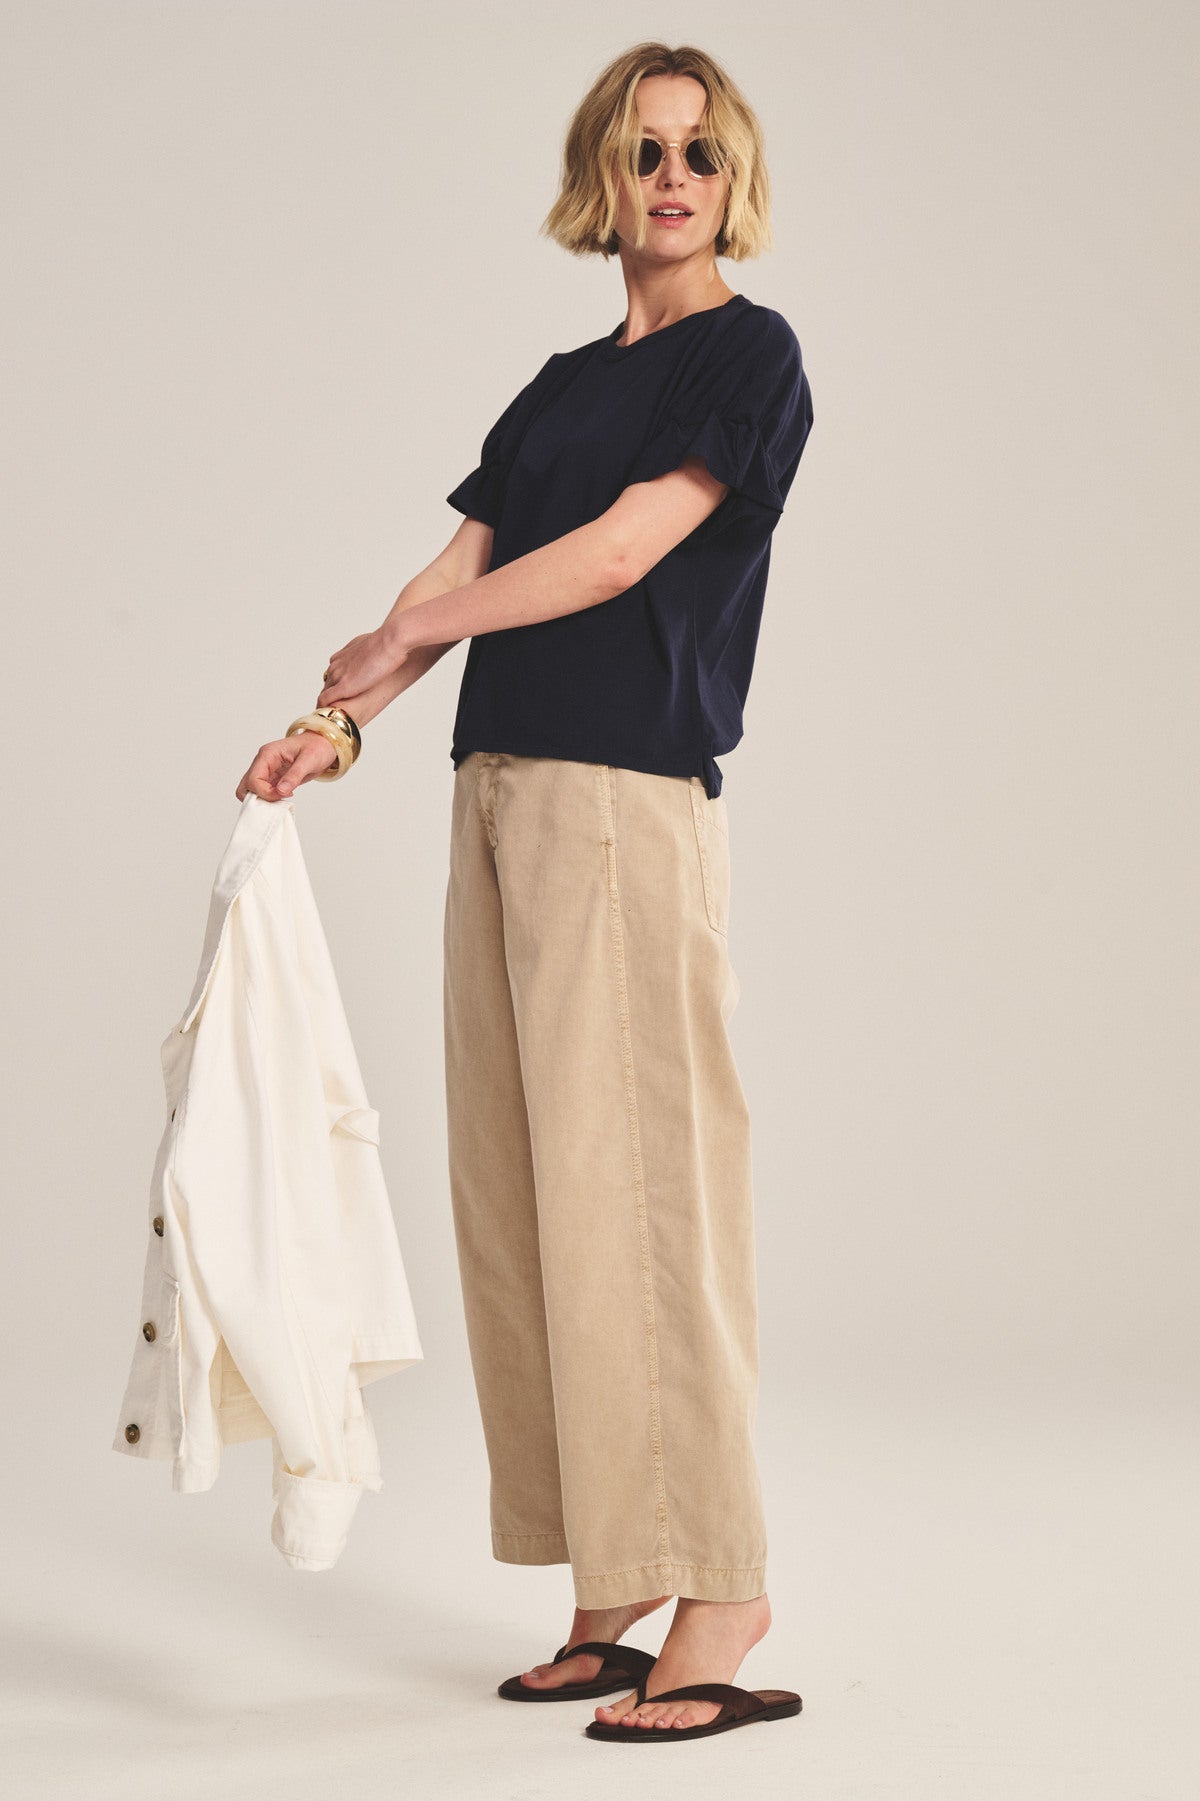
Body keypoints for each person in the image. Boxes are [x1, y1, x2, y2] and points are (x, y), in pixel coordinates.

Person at [237, 40, 813, 1742]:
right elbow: (467, 565)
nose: (673, 179)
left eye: (701, 154)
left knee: (645, 1200)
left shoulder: (748, 356)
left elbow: (628, 550)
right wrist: (337, 720)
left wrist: (418, 634)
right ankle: (612, 1577)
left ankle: (721, 1583)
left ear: (734, 176)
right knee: (529, 1202)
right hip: (497, 797)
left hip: (626, 809)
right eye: (643, 154)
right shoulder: (560, 382)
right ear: (601, 177)